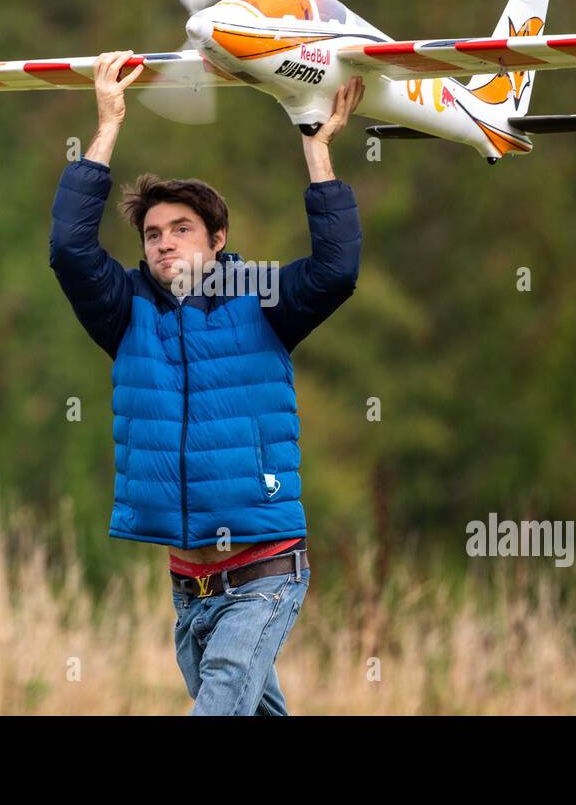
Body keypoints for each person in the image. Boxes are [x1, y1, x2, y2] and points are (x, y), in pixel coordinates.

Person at [49, 50, 364, 714]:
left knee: (217, 703)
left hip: (266, 573)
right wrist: (105, 126)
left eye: (181, 229)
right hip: (189, 586)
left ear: (218, 239)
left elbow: (336, 269)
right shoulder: (125, 312)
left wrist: (318, 149)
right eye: (153, 234)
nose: (163, 243)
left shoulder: (263, 298)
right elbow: (70, 251)